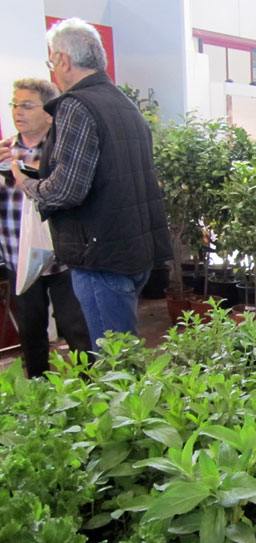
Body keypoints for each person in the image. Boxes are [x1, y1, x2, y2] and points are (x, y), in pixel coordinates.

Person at [10, 18, 172, 350]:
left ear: (63, 60)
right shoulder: (124, 105)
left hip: (101, 258)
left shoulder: (76, 105)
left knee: (114, 363)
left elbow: (65, 190)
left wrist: (26, 182)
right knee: (123, 356)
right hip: (132, 252)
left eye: (51, 63)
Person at [0, 78, 91, 377]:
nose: (18, 111)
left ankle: (91, 390)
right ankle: (39, 392)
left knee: (77, 330)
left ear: (49, 113)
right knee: (30, 333)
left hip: (63, 258)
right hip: (18, 257)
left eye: (27, 105)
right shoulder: (4, 151)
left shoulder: (63, 150)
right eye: (14, 104)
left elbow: (70, 193)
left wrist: (28, 175)